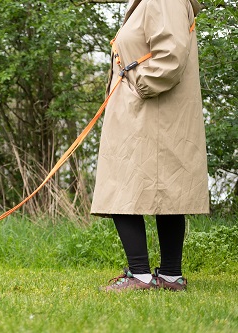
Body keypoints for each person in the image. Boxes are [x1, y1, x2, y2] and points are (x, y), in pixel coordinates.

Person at [91, 0, 209, 291]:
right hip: (147, 112)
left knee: (122, 184)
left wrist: (139, 85)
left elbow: (171, 55)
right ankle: (169, 277)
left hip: (150, 110)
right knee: (156, 187)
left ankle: (141, 276)